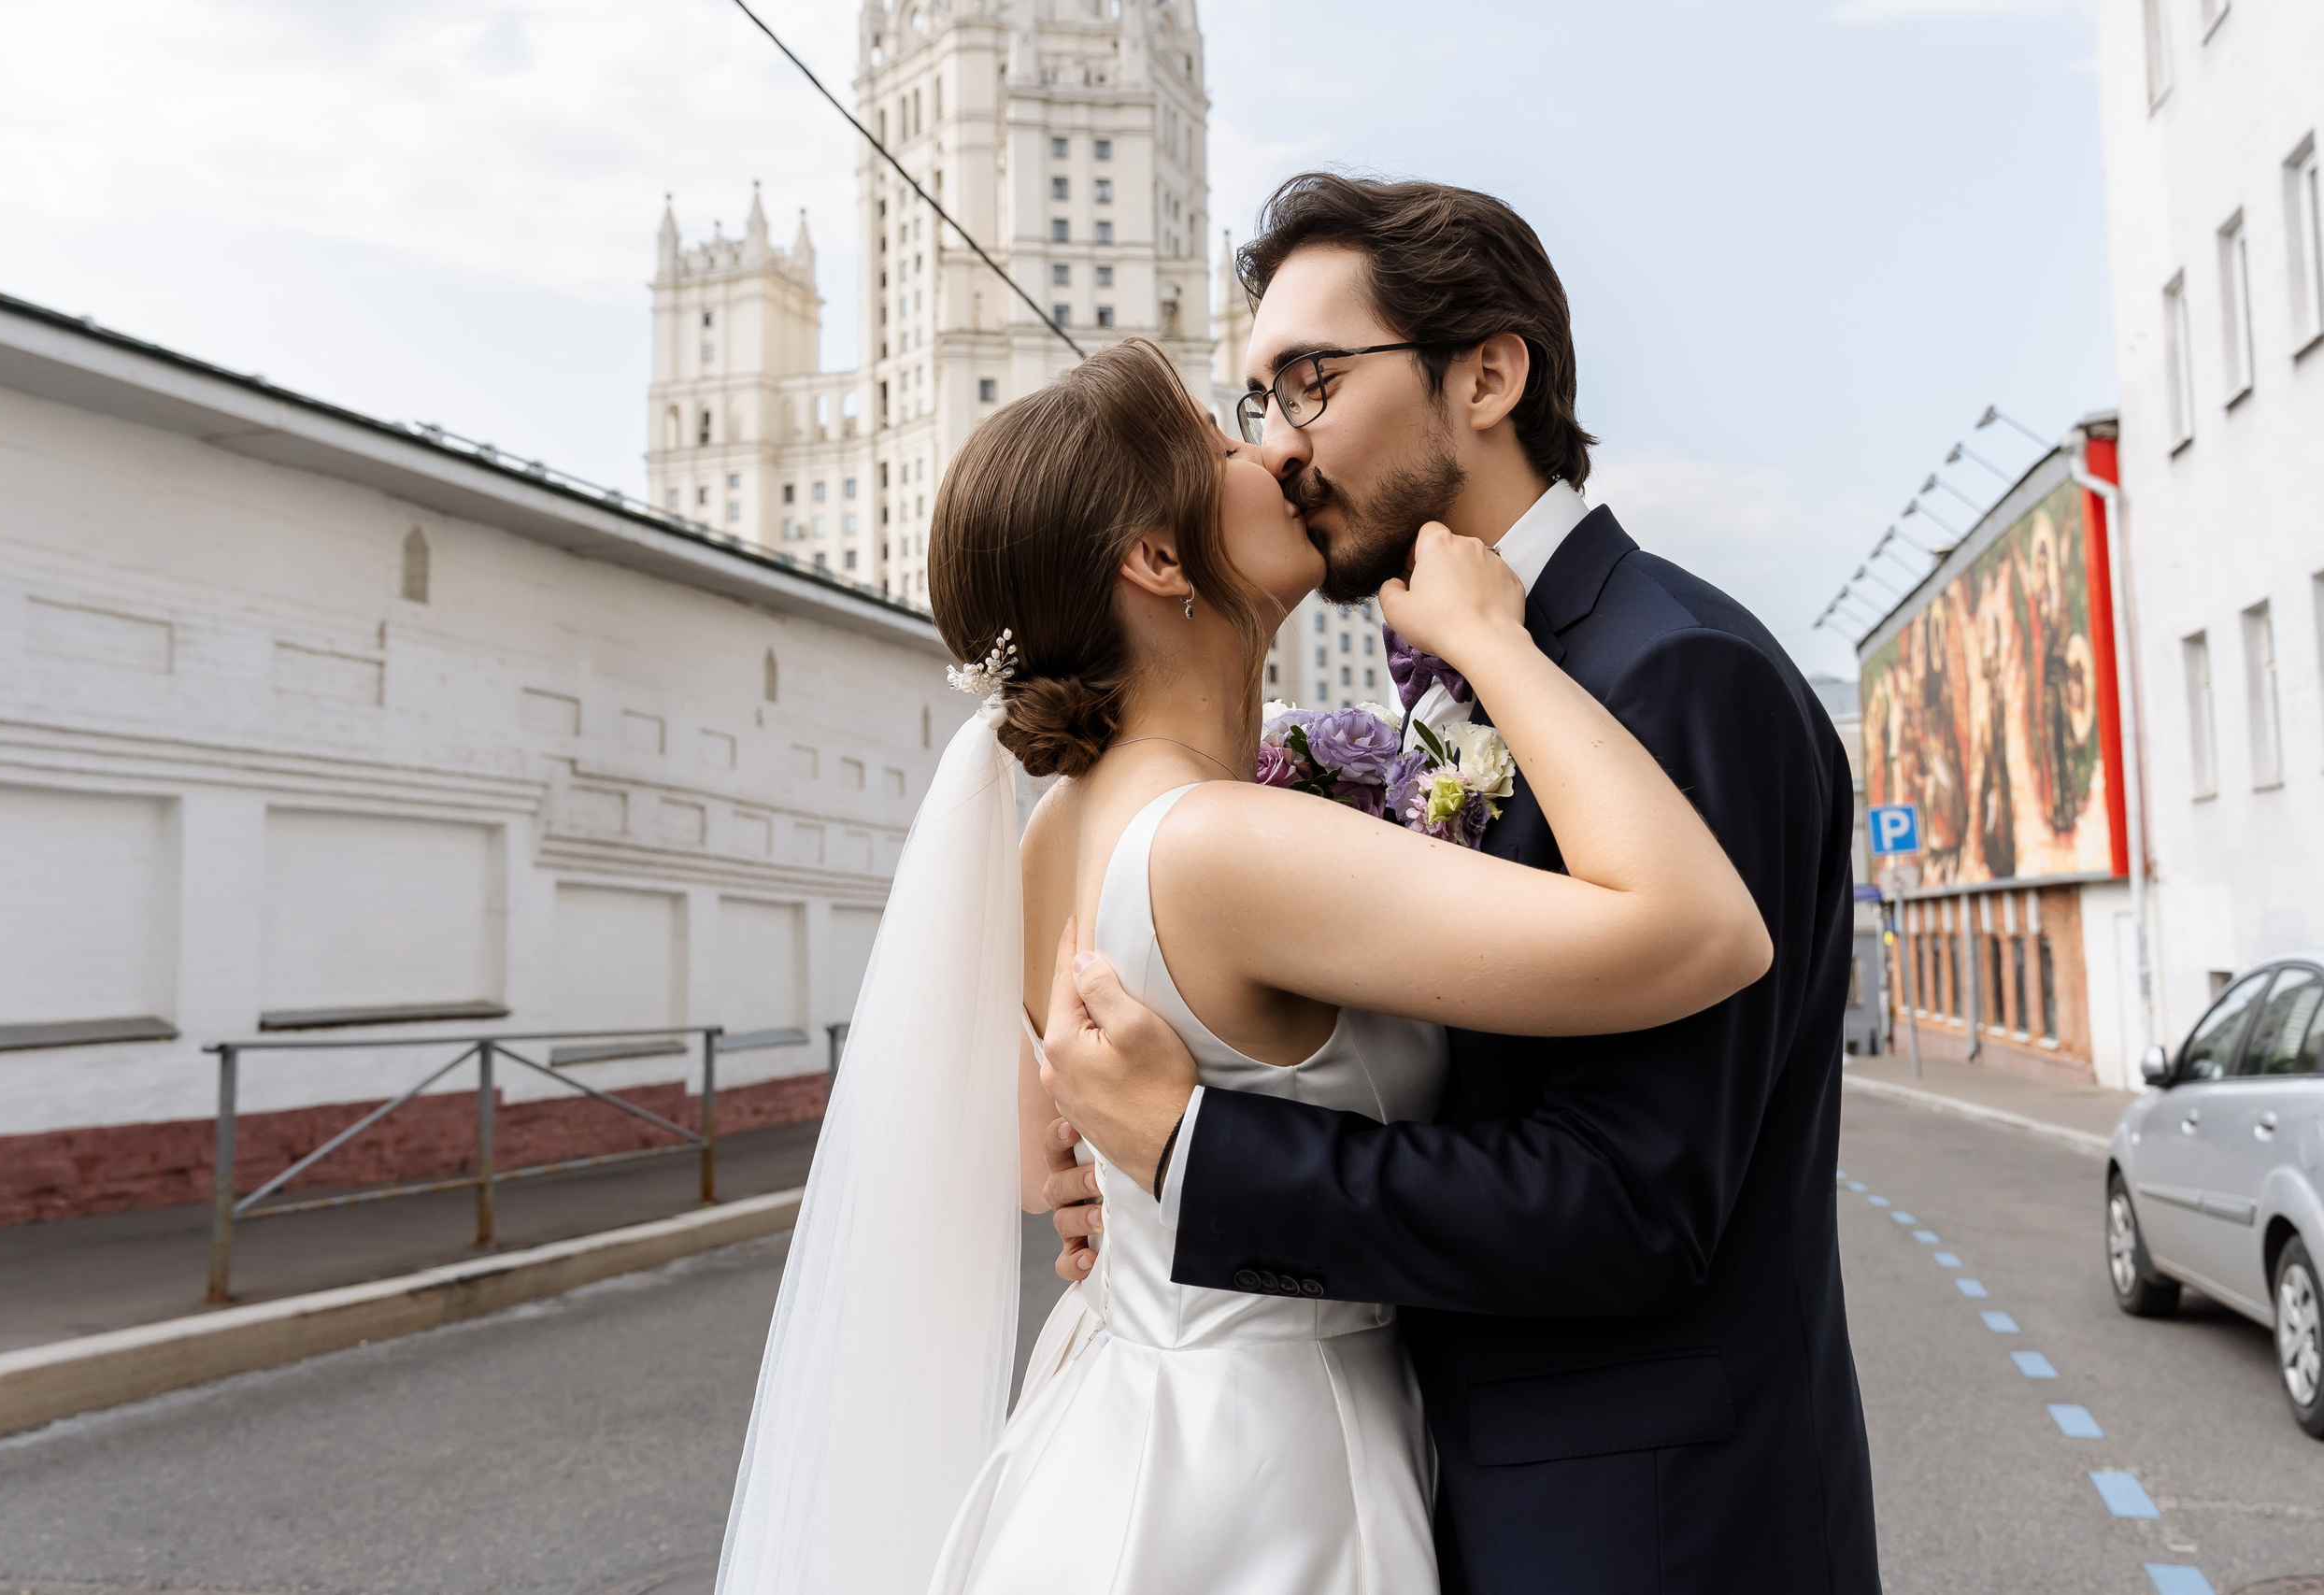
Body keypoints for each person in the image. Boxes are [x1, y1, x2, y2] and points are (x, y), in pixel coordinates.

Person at [713, 331, 1772, 1595]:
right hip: (1262, 1465)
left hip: (1114, 1413)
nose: (1272, 449)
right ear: (1160, 561)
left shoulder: (1052, 834)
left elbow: (1040, 1168)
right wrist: (1495, 644)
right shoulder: (1221, 844)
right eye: (1225, 443)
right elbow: (1707, 931)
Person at [1037, 175, 1881, 1595]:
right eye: (1257, 403)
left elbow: (1634, 1203)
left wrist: (1199, 1157)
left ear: (1487, 374)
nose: (1280, 447)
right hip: (1431, 1485)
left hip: (1647, 1530)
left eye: (1309, 381)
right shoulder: (1440, 680)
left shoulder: (1674, 672)